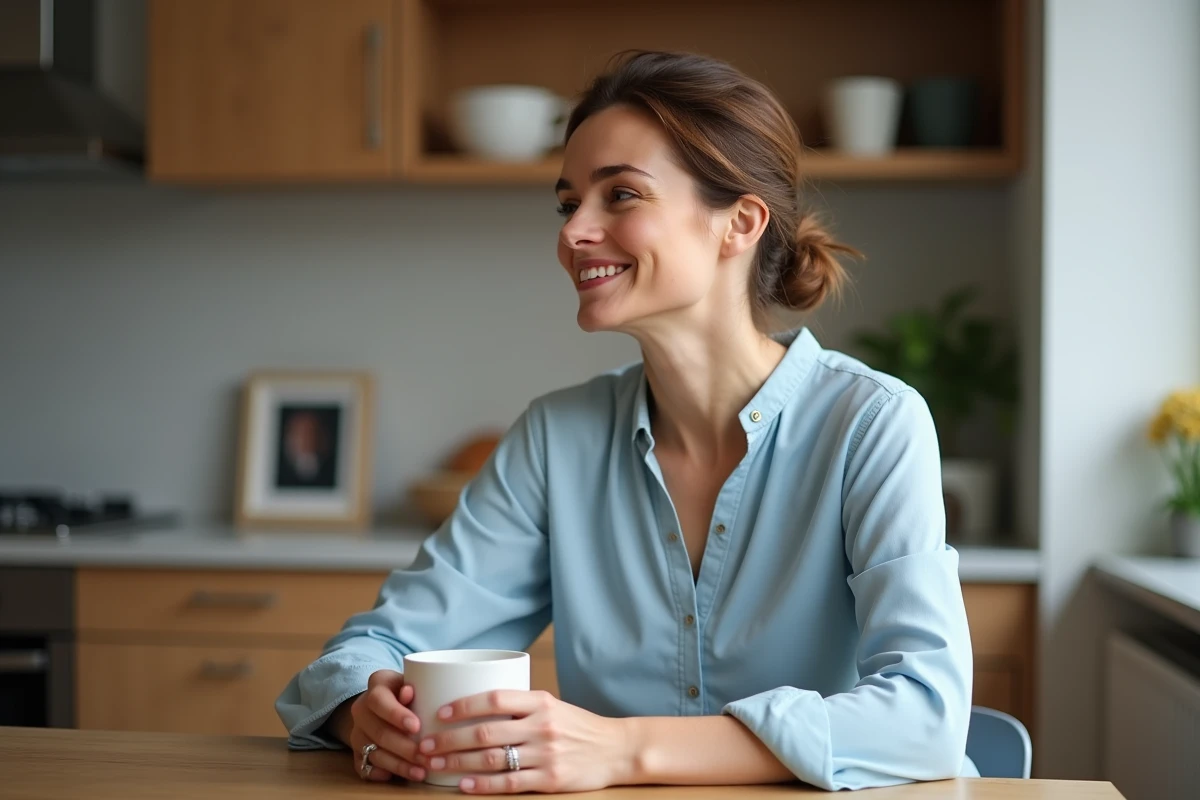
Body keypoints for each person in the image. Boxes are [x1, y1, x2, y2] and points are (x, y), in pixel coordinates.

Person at [276, 50, 975, 794]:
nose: (575, 231)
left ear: (738, 223)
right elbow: (374, 647)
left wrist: (624, 750)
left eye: (621, 196)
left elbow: (925, 717)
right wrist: (364, 712)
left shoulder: (872, 425)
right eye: (567, 202)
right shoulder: (557, 440)